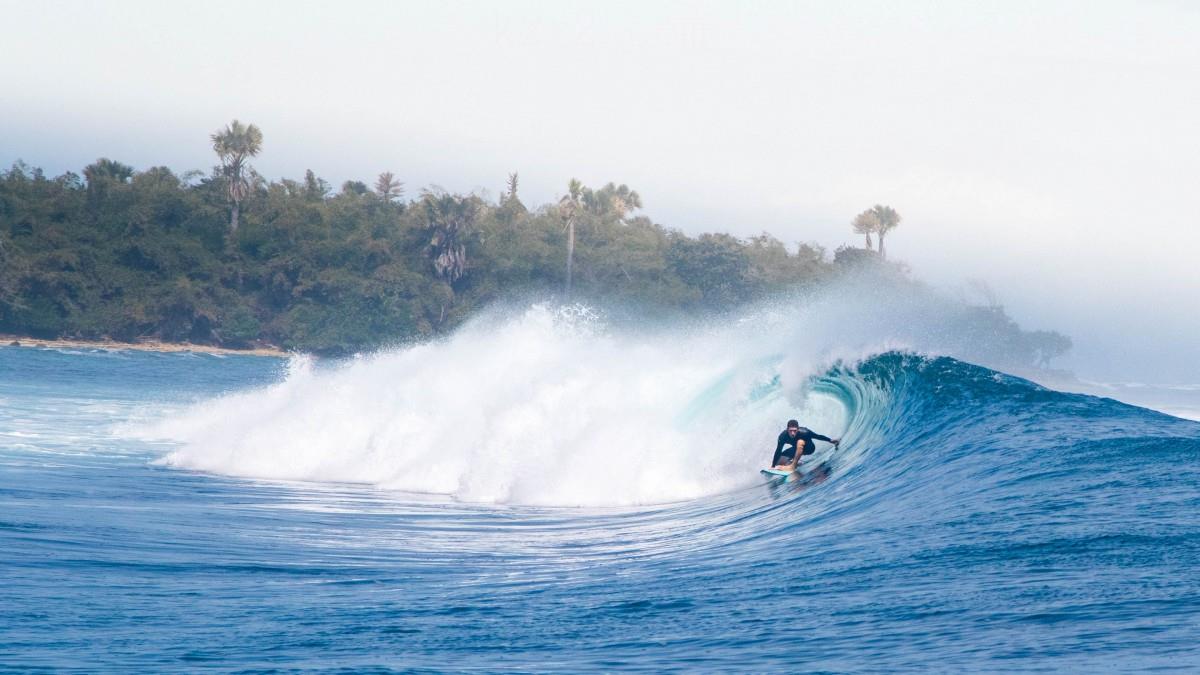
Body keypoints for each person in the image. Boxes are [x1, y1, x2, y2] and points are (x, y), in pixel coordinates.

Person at [771, 419, 839, 470]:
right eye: (790, 430)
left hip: (809, 448)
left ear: (798, 429)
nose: (792, 433)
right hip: (796, 449)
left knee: (800, 442)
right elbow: (778, 450)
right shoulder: (782, 437)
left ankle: (793, 466)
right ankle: (794, 463)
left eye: (794, 431)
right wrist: (773, 466)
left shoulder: (805, 432)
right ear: (787, 429)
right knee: (779, 460)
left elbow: (818, 436)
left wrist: (830, 440)